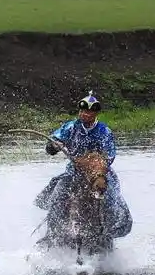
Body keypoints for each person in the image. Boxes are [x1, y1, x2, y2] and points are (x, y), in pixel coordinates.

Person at [34, 90, 133, 247]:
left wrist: (95, 165)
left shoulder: (104, 131)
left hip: (98, 173)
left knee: (113, 197)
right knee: (57, 195)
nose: (85, 114)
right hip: (74, 173)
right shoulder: (70, 127)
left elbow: (110, 156)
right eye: (82, 111)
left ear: (95, 113)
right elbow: (51, 145)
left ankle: (111, 229)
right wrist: (54, 145)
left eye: (88, 112)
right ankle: (52, 233)